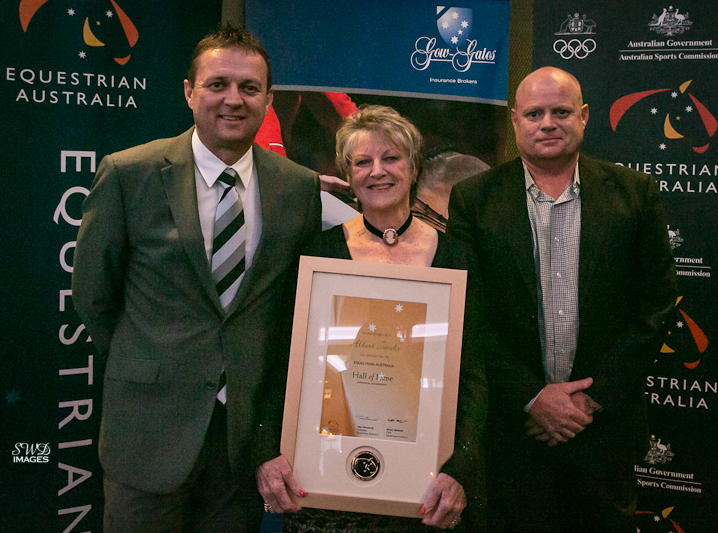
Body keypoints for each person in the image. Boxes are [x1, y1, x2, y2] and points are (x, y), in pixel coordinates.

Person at [72, 24, 321, 532]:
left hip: (242, 446)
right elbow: (94, 295)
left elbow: (292, 308)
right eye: (217, 84)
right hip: (147, 434)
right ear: (189, 92)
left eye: (250, 88)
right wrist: (148, 361)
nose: (234, 99)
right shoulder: (129, 173)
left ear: (268, 98)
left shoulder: (298, 188)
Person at [447, 66, 677, 532]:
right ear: (515, 120)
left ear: (585, 116)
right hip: (512, 432)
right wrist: (532, 398)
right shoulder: (473, 199)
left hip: (602, 433)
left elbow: (655, 305)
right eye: (534, 113)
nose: (547, 123)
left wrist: (588, 401)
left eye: (560, 111)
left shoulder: (635, 194)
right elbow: (466, 312)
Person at [282, 105, 488, 532]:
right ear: (348, 175)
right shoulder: (318, 255)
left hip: (428, 483)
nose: (378, 171)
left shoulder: (457, 258)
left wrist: (461, 468)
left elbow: (474, 373)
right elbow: (292, 366)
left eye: (391, 158)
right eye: (362, 162)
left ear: (414, 167)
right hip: (330, 477)